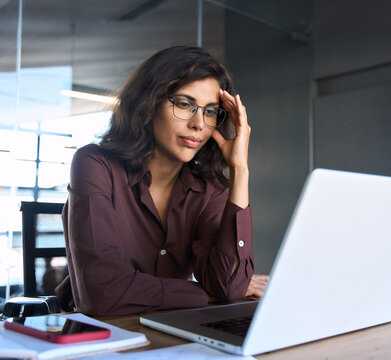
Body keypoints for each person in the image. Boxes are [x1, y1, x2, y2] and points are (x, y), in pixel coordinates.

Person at [55, 46, 268, 316]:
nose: (198, 124)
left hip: (166, 331)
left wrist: (240, 169)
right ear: (150, 102)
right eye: (184, 104)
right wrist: (208, 293)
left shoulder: (208, 190)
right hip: (97, 335)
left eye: (211, 111)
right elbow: (103, 294)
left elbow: (227, 284)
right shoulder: (95, 164)